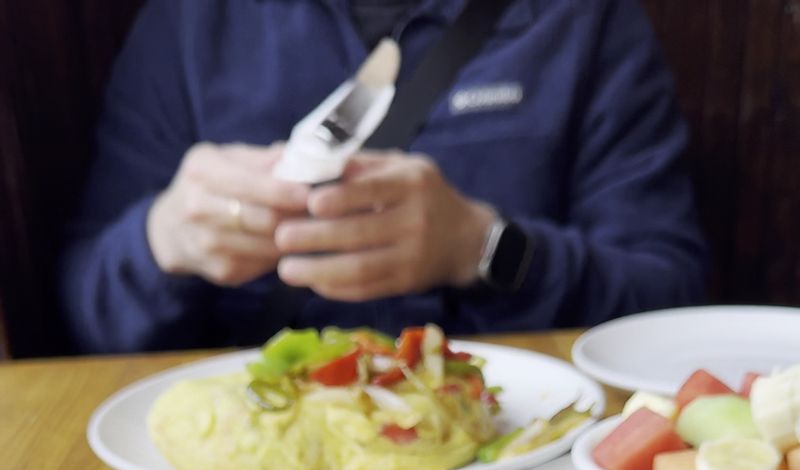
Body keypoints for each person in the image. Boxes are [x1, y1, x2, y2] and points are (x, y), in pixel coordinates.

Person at [58, 0, 707, 354]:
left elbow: (669, 296)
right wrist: (163, 239)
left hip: (515, 450)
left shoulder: (585, 20)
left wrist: (484, 249)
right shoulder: (191, 21)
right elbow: (88, 313)